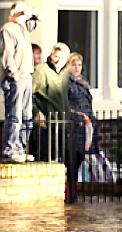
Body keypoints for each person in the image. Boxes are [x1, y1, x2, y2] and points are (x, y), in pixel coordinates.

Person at [0, 1, 39, 163]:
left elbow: (37, 20)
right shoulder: (8, 29)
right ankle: (10, 149)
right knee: (14, 115)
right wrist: (13, 73)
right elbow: (7, 53)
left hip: (27, 75)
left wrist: (29, 13)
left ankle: (21, 148)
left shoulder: (24, 29)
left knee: (26, 115)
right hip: (16, 77)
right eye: (20, 13)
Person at [66, 52, 97, 202]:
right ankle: (70, 194)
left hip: (86, 127)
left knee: (80, 160)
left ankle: (74, 192)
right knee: (72, 161)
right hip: (75, 126)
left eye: (79, 64)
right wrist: (78, 116)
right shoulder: (67, 83)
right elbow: (66, 105)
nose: (77, 67)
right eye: (73, 64)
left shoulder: (83, 83)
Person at [32, 42, 71, 161]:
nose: (58, 60)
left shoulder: (65, 74)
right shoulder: (41, 70)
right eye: (56, 56)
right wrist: (36, 112)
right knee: (44, 160)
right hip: (46, 125)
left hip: (62, 124)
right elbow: (30, 94)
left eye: (61, 57)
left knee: (60, 162)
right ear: (51, 54)